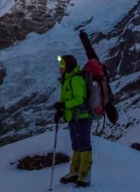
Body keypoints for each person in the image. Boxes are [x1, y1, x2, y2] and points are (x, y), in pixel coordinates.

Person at [54, 54, 93, 187]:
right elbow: (67, 100)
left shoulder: (76, 79)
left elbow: (79, 99)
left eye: (62, 65)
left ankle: (85, 175)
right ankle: (75, 172)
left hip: (81, 117)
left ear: (68, 67)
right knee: (76, 146)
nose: (60, 67)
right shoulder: (67, 80)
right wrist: (61, 110)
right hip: (73, 117)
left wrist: (63, 106)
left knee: (84, 146)